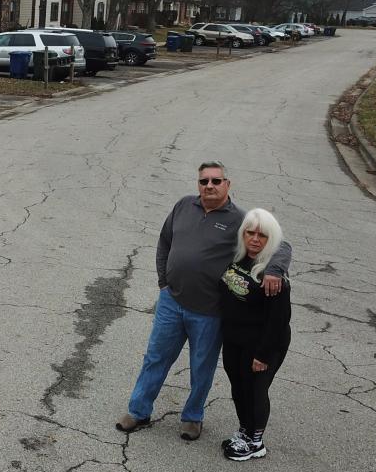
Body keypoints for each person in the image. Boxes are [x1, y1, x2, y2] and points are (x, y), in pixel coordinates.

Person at [116, 161, 291, 441]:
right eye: (204, 181)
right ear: (198, 184)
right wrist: (163, 282)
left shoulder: (240, 219)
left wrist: (275, 269)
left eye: (216, 181)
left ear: (227, 184)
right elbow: (164, 242)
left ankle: (193, 416)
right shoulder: (184, 206)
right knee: (155, 358)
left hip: (209, 312)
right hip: (171, 302)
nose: (209, 186)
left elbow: (280, 243)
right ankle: (138, 411)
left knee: (201, 367)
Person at [220, 208, 291, 461]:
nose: (255, 239)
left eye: (262, 235)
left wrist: (263, 354)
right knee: (238, 387)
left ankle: (256, 441)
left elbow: (279, 320)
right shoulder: (238, 259)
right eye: (250, 233)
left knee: (255, 390)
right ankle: (244, 431)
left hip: (263, 343)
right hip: (234, 339)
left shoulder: (272, 275)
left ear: (270, 239)